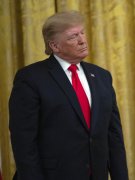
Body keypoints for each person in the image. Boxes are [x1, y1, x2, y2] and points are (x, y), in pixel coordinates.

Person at [9, 11, 128, 180]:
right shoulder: (30, 78)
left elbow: (114, 135)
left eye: (82, 33)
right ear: (55, 46)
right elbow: (24, 142)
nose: (82, 40)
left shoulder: (102, 76)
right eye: (73, 37)